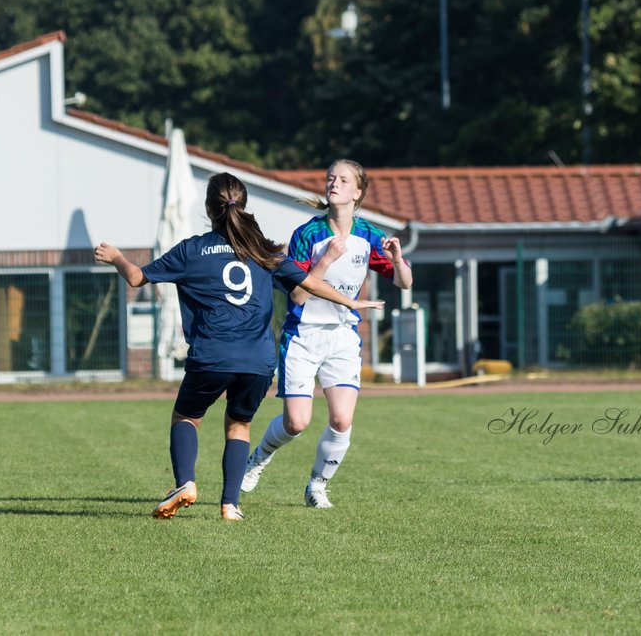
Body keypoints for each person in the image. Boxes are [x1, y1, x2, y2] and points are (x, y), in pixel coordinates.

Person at [95, 171, 383, 521]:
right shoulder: (263, 250)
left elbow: (137, 277)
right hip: (259, 361)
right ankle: (230, 505)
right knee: (238, 426)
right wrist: (350, 303)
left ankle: (185, 482)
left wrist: (116, 258)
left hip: (213, 355)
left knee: (186, 416)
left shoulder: (193, 249)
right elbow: (308, 284)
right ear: (243, 206)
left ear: (208, 208)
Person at [242, 159, 412, 508]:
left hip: (342, 337)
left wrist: (397, 260)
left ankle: (317, 486)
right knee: (297, 423)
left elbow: (405, 283)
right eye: (330, 178)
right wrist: (326, 261)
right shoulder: (308, 234)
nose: (333, 184)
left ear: (357, 192)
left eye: (343, 180)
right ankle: (258, 458)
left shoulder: (369, 235)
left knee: (341, 418)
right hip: (303, 336)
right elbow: (298, 295)